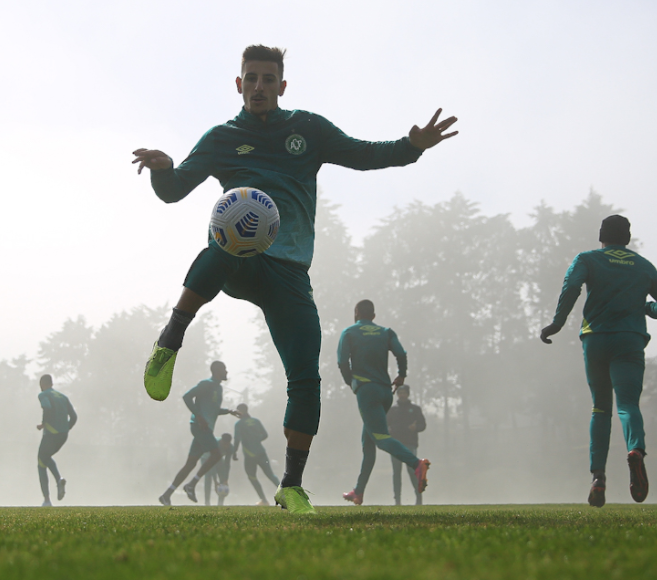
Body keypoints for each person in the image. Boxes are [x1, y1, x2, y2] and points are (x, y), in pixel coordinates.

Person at [133, 45, 457, 514]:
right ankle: (170, 340)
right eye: (251, 78)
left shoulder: (308, 129)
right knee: (219, 247)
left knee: (306, 376)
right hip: (242, 259)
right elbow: (175, 189)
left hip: (289, 273)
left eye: (268, 79)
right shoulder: (221, 138)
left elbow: (364, 155)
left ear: (282, 86)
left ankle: (291, 485)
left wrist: (412, 148)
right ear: (238, 84)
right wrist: (162, 173)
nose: (259, 86)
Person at [540, 215, 657, 507]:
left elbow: (571, 288)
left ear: (602, 236)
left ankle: (598, 478)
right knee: (628, 404)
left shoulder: (588, 259)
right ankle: (636, 451)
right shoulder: (643, 265)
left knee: (601, 408)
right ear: (627, 239)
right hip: (630, 339)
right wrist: (646, 308)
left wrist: (557, 324)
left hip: (596, 339)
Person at [337, 300, 430, 506]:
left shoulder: (350, 332)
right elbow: (401, 354)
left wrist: (351, 382)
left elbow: (343, 362)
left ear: (357, 313)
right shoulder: (386, 332)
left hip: (367, 391)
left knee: (380, 438)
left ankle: (417, 464)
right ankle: (358, 492)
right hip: (385, 392)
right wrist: (402, 376)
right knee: (368, 440)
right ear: (374, 316)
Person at [159, 361, 240, 505]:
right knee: (216, 454)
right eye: (224, 369)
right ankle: (191, 484)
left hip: (205, 429)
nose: (227, 372)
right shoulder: (206, 384)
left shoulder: (218, 388)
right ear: (217, 370)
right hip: (200, 427)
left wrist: (228, 411)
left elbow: (213, 410)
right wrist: (199, 416)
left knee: (190, 464)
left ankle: (166, 495)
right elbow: (186, 397)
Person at [35, 374, 77, 507]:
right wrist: (65, 429)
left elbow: (47, 407)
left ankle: (47, 500)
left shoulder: (43, 395)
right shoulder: (63, 397)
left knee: (41, 463)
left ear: (42, 384)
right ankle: (58, 481)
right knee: (46, 458)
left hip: (51, 435)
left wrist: (43, 423)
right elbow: (74, 417)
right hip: (63, 435)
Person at [232, 403, 280, 506]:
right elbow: (265, 435)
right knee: (270, 474)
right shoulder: (256, 421)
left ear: (239, 411)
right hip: (261, 452)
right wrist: (256, 440)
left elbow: (236, 440)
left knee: (252, 476)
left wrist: (234, 452)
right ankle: (286, 495)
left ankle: (264, 500)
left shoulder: (239, 424)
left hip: (250, 456)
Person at [387, 385, 426, 506]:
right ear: (397, 394)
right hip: (395, 445)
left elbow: (422, 425)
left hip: (410, 444)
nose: (402, 395)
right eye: (400, 393)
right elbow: (386, 425)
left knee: (412, 471)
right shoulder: (392, 410)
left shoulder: (415, 409)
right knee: (396, 472)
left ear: (408, 394)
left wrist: (416, 428)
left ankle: (419, 498)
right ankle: (397, 501)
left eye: (404, 393)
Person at [203, 434, 233, 506]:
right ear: (221, 442)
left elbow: (227, 464)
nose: (226, 446)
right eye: (224, 444)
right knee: (208, 476)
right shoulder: (214, 445)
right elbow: (212, 465)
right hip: (206, 457)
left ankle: (220, 504)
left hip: (219, 459)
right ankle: (207, 502)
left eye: (227, 444)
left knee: (222, 478)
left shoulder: (231, 448)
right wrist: (215, 481)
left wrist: (226, 479)